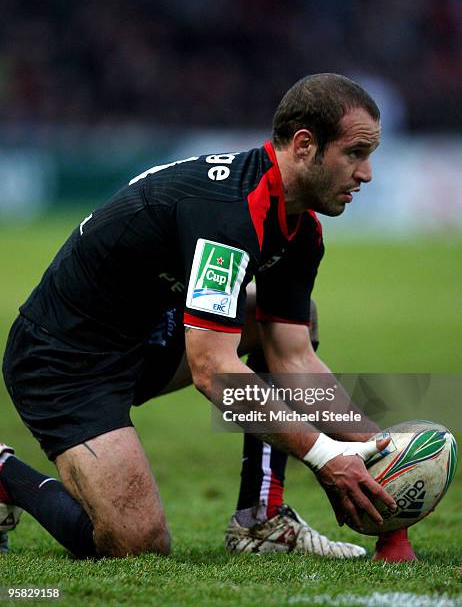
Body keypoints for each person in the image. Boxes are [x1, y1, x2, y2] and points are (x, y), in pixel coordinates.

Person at [0, 73, 415, 561]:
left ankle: (262, 521)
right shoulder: (230, 214)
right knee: (136, 543)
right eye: (355, 153)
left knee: (273, 318)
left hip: (146, 341)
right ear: (305, 145)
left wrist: (378, 443)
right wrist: (325, 455)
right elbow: (212, 370)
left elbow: (293, 357)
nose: (366, 173)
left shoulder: (302, 232)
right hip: (64, 361)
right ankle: (6, 474)